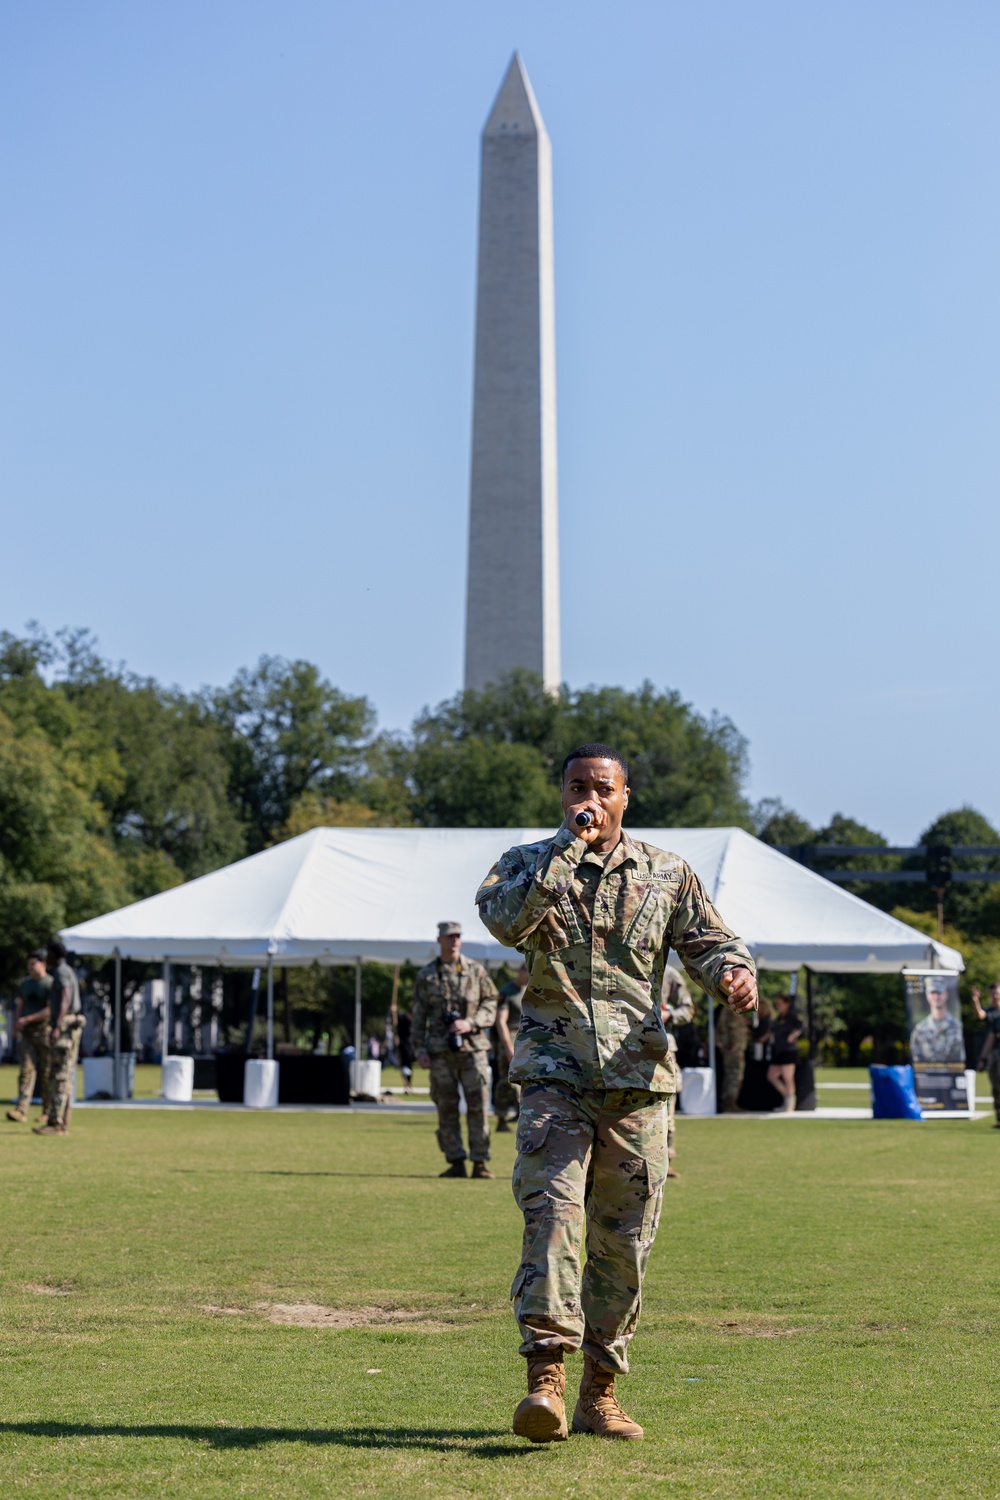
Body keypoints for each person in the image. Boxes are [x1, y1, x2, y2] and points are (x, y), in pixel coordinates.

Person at [476, 744, 756, 1444]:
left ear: (626, 797)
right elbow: (507, 923)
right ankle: (544, 1376)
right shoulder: (524, 863)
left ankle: (600, 1392)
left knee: (623, 1243)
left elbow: (713, 941)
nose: (589, 800)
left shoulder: (668, 873)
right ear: (562, 794)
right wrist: (565, 854)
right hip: (555, 1079)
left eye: (603, 789)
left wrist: (733, 974)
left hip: (636, 1086)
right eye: (578, 788)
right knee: (553, 1220)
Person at [411, 921, 499, 1179]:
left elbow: (491, 1002)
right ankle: (456, 1161)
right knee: (445, 1107)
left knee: (478, 1107)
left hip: (473, 1049)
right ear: (439, 939)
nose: (454, 941)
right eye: (450, 937)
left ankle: (480, 1162)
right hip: (440, 1051)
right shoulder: (427, 975)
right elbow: (418, 1017)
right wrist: (419, 1050)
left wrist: (470, 1023)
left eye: (458, 936)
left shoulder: (475, 970)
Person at [34, 941, 85, 1137]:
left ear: (55, 955)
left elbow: (65, 997)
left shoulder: (61, 972)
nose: (45, 957)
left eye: (47, 953)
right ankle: (61, 1121)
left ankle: (56, 1122)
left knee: (59, 1073)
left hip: (65, 1025)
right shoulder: (66, 971)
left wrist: (56, 1025)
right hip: (69, 1023)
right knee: (64, 1074)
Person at [6, 950, 54, 1124]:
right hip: (27, 1033)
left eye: (33, 963)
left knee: (46, 1072)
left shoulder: (50, 983)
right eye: (28, 964)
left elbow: (50, 1009)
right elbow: (21, 1004)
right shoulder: (25, 984)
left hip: (45, 1032)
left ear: (43, 964)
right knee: (26, 1071)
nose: (30, 967)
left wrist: (28, 1019)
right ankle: (21, 1110)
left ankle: (47, 1111)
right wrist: (17, 1023)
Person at [660, 964, 694, 1175]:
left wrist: (669, 1016)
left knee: (667, 1111)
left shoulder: (668, 973)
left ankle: (666, 1160)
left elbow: (688, 1009)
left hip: (661, 1047)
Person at [493, 963, 529, 1132]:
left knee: (524, 1082)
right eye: (528, 973)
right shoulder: (507, 991)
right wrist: (508, 1048)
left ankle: (521, 1115)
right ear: (520, 972)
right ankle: (501, 1116)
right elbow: (500, 1022)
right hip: (510, 1039)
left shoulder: (529, 989)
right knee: (506, 1082)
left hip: (525, 1039)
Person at [910, 976, 965, 1065]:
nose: (936, 996)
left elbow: (960, 1057)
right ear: (927, 995)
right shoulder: (920, 1029)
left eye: (939, 992)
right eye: (932, 993)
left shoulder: (957, 1026)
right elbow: (916, 1058)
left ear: (946, 994)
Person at [766, 994, 802, 1111]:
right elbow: (771, 1032)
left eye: (780, 1003)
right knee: (771, 1076)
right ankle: (788, 1096)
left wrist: (793, 1035)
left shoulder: (791, 1017)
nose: (778, 1006)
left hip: (789, 1051)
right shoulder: (778, 1019)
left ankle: (790, 1103)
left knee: (788, 1077)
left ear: (787, 1004)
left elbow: (800, 1027)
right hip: (779, 1050)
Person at [716, 999, 749, 1112]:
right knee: (734, 1075)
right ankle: (730, 1103)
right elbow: (733, 1029)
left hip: (730, 1048)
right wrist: (735, 1045)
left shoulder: (726, 1009)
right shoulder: (732, 1010)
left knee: (731, 1074)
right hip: (734, 1050)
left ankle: (729, 1102)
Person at [975, 990, 1000, 1128]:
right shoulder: (996, 1019)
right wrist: (983, 1059)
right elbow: (990, 1039)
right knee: (996, 1087)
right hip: (995, 1055)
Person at [396, 1009, 414, 1091]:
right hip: (402, 1045)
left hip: (410, 1045)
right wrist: (393, 1011)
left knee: (409, 1065)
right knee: (404, 1064)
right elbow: (394, 1022)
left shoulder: (413, 1023)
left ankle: (408, 1084)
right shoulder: (401, 1018)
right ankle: (406, 1083)